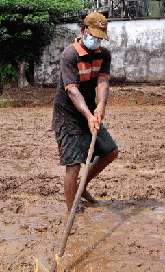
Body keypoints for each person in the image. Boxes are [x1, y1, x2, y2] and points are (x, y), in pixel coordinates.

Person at [51, 12, 119, 213]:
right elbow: (72, 89)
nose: (96, 41)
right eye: (93, 36)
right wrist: (88, 116)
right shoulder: (69, 55)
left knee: (110, 152)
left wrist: (101, 106)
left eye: (100, 38)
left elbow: (103, 81)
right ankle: (72, 209)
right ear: (83, 31)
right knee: (73, 164)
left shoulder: (103, 54)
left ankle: (81, 187)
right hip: (68, 115)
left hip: (90, 110)